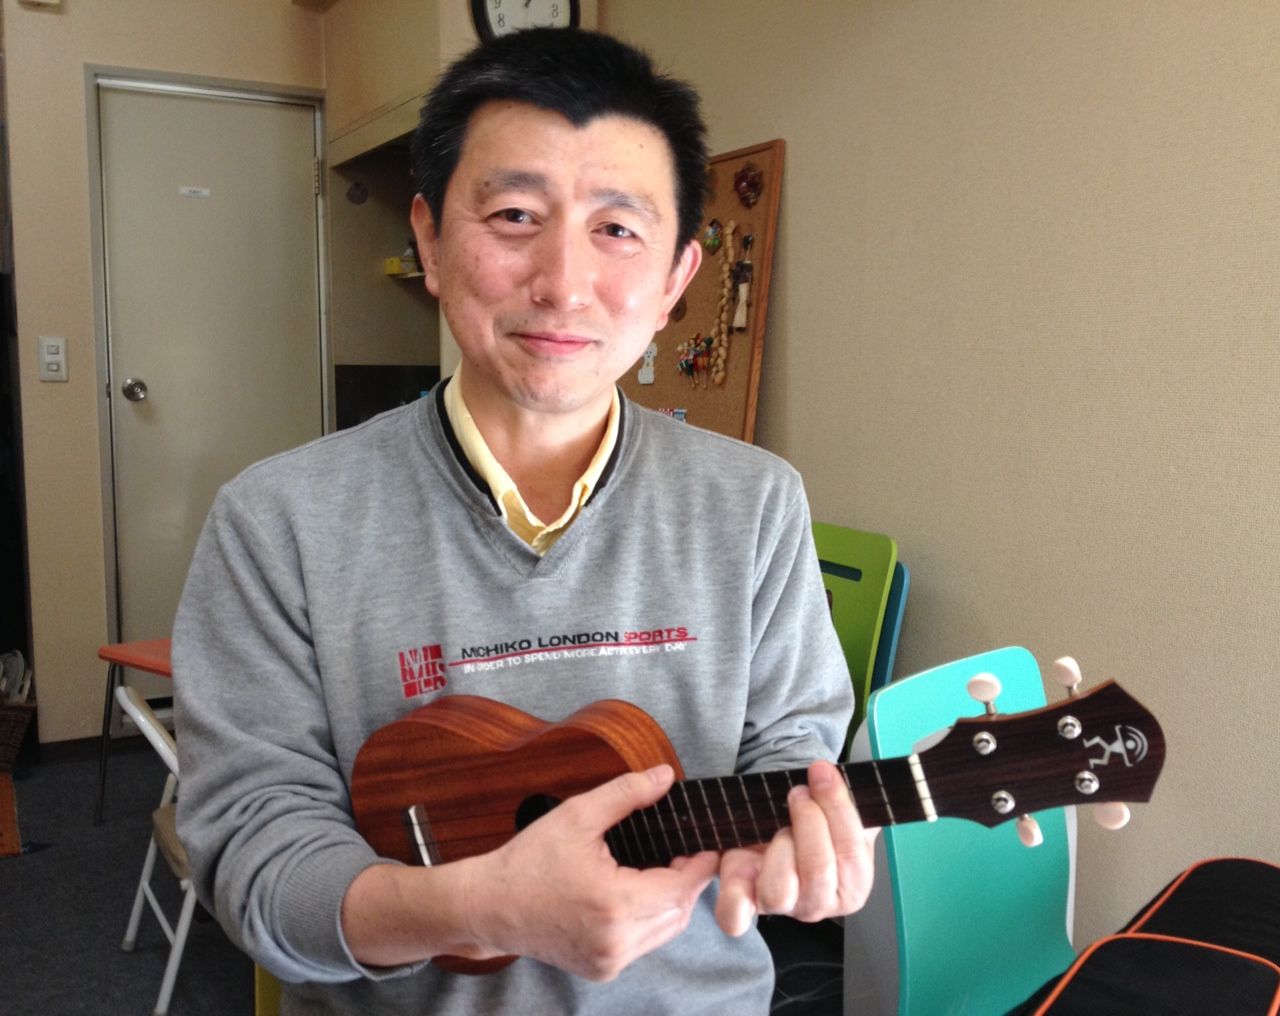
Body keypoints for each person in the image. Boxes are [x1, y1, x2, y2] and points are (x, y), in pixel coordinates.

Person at [173, 27, 874, 1016]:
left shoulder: (754, 503)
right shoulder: (279, 520)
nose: (563, 283)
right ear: (428, 238)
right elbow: (254, 859)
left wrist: (810, 845)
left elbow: (792, 761)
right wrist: (475, 906)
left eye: (617, 230)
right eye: (513, 215)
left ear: (677, 278)